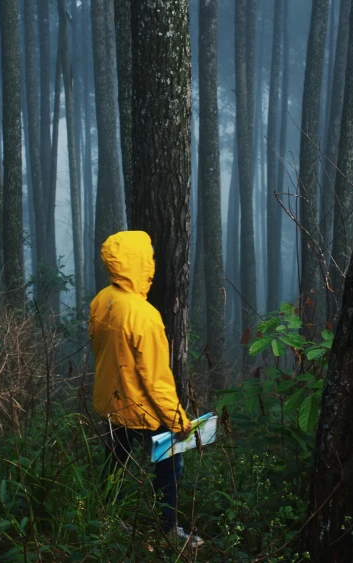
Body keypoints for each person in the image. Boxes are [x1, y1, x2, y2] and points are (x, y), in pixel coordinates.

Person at [89, 230, 203, 547]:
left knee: (114, 464)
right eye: (149, 257)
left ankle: (100, 519)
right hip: (143, 410)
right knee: (170, 466)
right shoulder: (144, 315)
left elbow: (99, 349)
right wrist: (178, 421)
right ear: (138, 262)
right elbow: (157, 378)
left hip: (111, 403)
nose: (153, 262)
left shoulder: (102, 299)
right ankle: (169, 530)